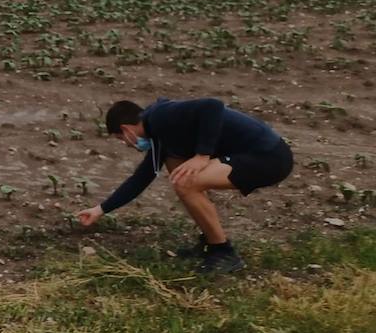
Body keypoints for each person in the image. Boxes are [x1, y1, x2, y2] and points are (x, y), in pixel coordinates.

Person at [75, 97, 294, 273]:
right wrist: (100, 210)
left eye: (121, 139)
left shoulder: (161, 115)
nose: (126, 144)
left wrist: (202, 155)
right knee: (177, 168)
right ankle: (210, 242)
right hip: (254, 156)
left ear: (126, 129)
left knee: (185, 182)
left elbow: (212, 106)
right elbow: (141, 178)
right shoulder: (159, 136)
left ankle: (223, 252)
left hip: (269, 157)